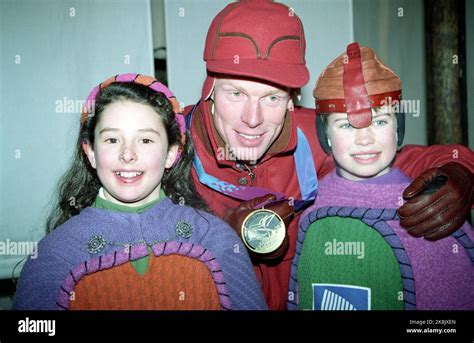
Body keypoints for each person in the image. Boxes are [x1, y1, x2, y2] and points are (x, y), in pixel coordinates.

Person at [185, 0, 474, 310]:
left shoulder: (314, 138)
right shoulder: (168, 147)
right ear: (210, 88)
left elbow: (395, 156)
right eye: (237, 93)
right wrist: (218, 239)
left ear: (291, 100)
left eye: (271, 96)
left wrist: (460, 172)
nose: (252, 118)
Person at [13, 73, 267, 310]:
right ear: (90, 151)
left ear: (171, 153)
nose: (127, 154)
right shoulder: (55, 254)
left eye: (145, 140)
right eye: (112, 140)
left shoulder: (215, 240)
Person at [287, 43, 474, 310]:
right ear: (324, 134)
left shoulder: (431, 209)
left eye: (380, 121)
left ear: (400, 127)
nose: (365, 139)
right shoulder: (308, 200)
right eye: (346, 125)